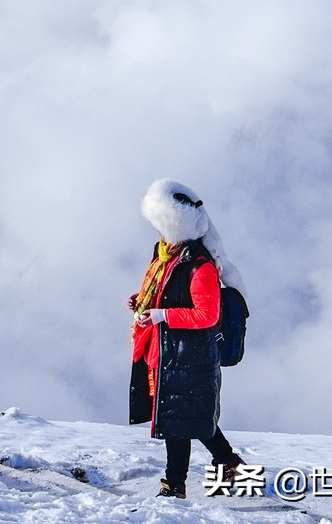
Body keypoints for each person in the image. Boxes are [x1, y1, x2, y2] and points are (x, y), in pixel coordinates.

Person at [128, 178, 246, 499]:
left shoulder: (200, 265)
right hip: (172, 355)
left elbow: (206, 314)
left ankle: (174, 486)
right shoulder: (167, 256)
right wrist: (143, 301)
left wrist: (161, 316)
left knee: (178, 422)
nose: (159, 232)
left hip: (190, 357)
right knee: (189, 417)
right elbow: (169, 294)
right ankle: (229, 462)